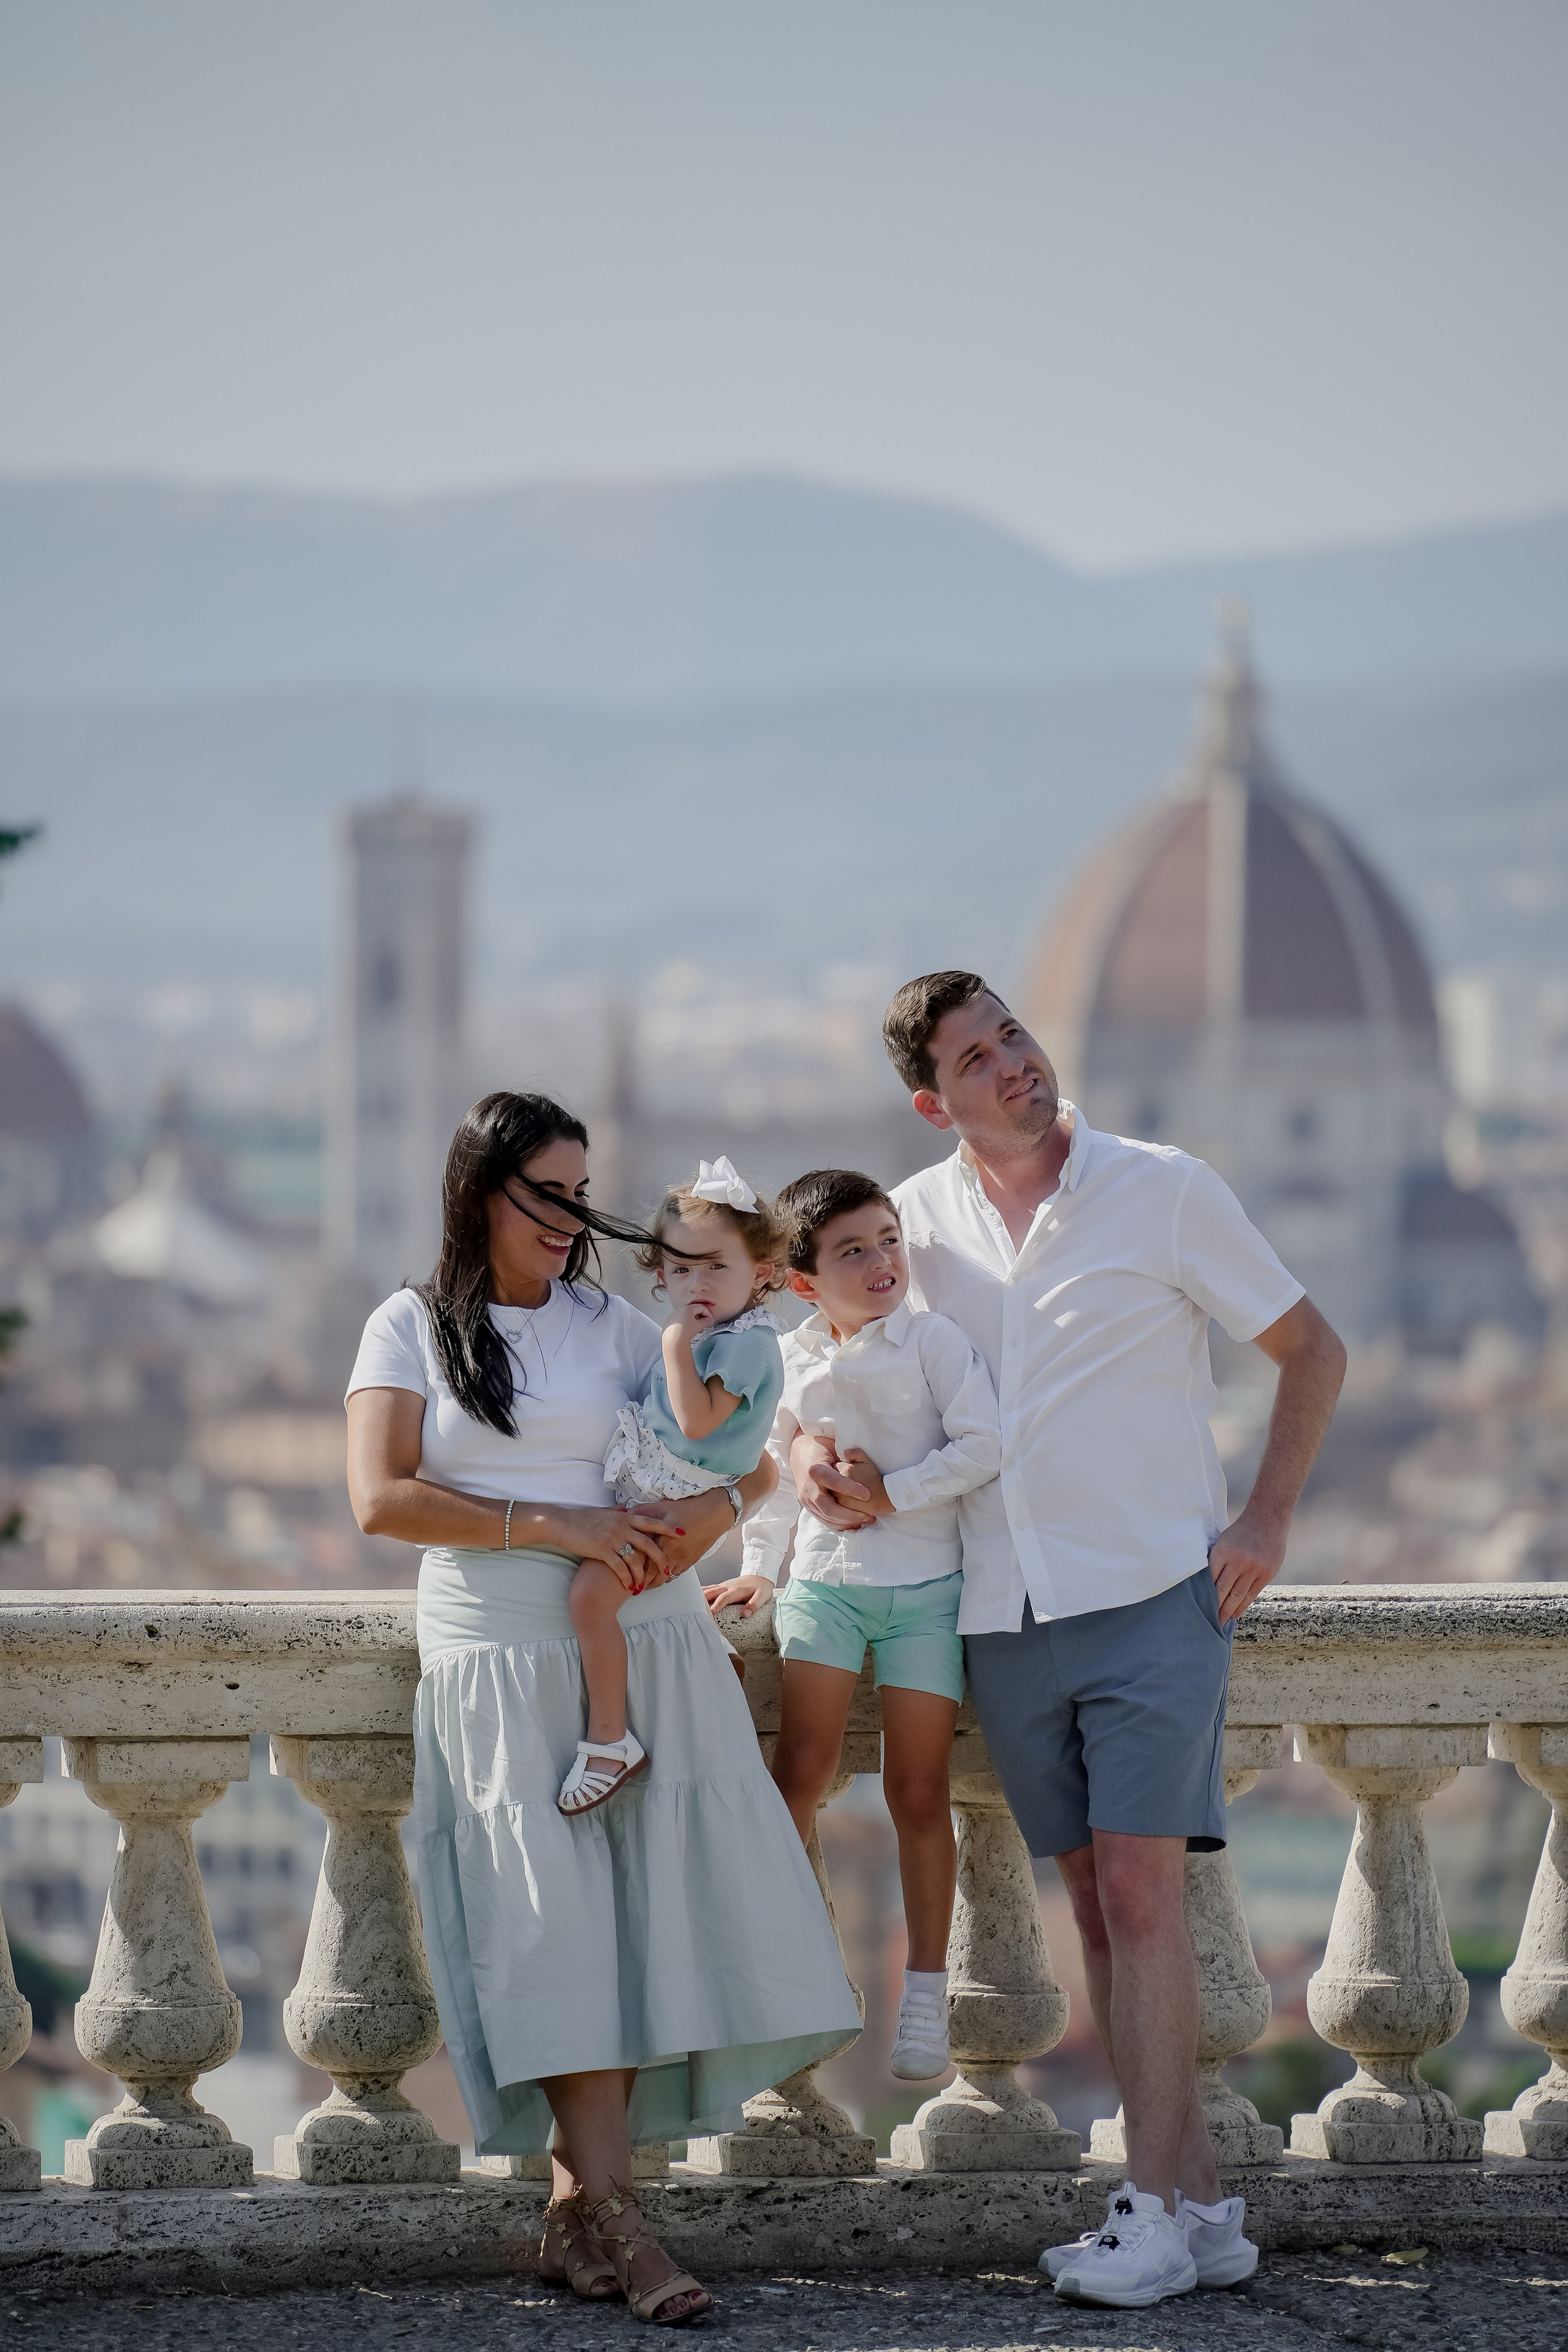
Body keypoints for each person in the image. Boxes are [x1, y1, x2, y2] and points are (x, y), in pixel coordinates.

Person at [793, 974, 1345, 2312]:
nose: (1015, 1067)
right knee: (1096, 1905)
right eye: (976, 1060)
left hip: (1153, 1594)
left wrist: (1264, 1518)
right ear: (933, 1101)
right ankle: (1204, 2210)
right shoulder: (908, 1227)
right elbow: (821, 1336)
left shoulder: (1160, 1186)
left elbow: (1310, 1347)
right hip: (997, 1609)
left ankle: (1147, 2212)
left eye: (1015, 1038)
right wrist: (807, 1447)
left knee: (1144, 1897)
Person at [345, 1091, 861, 2327]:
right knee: (552, 1928)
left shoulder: (620, 1326)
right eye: (547, 1193)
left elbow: (732, 1457)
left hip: (641, 1637)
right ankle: (618, 2227)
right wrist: (556, 1526)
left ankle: (584, 2215)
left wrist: (701, 1538)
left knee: (621, 1931)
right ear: (481, 1192)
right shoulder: (406, 1326)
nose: (572, 1218)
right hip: (495, 1654)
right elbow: (379, 1498)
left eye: (583, 1193)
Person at [705, 1166, 1000, 2084]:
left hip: (925, 1592)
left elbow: (985, 1443)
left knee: (919, 1793)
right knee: (799, 1773)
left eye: (888, 1241)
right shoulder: (791, 1357)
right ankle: (782, 1978)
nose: (881, 1262)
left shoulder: (934, 1341)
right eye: (852, 1251)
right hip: (824, 1589)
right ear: (803, 1280)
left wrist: (890, 1493)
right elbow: (776, 1476)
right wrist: (759, 1569)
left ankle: (924, 1988)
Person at [560, 1155, 788, 1815]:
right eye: (681, 1268)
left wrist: (672, 1348)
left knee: (588, 1600)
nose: (698, 1284)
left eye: (717, 1266)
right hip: (667, 1492)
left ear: (763, 1273)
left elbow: (696, 1422)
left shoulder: (739, 1344)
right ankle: (697, 1634)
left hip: (679, 1497)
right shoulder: (719, 1334)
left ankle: (609, 1739)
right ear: (661, 1272)